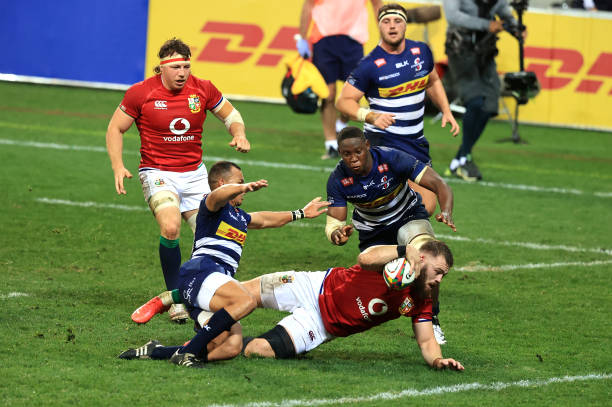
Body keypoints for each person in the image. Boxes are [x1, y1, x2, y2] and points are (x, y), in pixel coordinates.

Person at [120, 241, 464, 371]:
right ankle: (182, 298)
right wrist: (401, 251)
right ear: (421, 259)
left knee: (252, 350)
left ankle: (162, 349)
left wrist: (437, 359)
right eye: (436, 272)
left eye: (443, 276)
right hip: (312, 285)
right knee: (243, 296)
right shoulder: (394, 261)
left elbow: (425, 340)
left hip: (322, 327)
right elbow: (364, 256)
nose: (438, 280)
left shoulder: (423, 299)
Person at [123, 161, 329, 367]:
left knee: (231, 347)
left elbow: (266, 219)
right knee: (246, 301)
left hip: (214, 286)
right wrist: (241, 187)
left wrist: (301, 213)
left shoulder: (240, 217)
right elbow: (217, 195)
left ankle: (157, 351)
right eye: (239, 181)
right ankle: (187, 353)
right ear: (222, 183)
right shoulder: (211, 206)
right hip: (201, 272)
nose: (244, 188)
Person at [105, 38, 251, 323]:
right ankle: (175, 299)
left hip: (195, 175)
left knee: (210, 237)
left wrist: (239, 132)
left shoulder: (203, 88)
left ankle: (201, 294)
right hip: (157, 173)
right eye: (176, 67)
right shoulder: (140, 93)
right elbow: (115, 128)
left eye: (186, 65)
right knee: (170, 226)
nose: (182, 72)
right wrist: (118, 166)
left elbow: (231, 114)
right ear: (162, 68)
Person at [325, 126, 455, 344]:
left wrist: (446, 210)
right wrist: (336, 234)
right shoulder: (338, 179)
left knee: (427, 258)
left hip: (408, 216)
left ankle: (431, 319)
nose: (354, 159)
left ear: (367, 145)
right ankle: (333, 321)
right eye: (347, 154)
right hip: (372, 232)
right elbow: (334, 222)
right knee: (378, 282)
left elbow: (439, 183)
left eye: (358, 151)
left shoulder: (392, 158)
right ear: (340, 153)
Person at [336, 3, 459, 216]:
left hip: (415, 143)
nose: (392, 26)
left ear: (405, 25)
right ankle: (380, 239)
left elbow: (433, 81)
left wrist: (446, 110)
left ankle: (396, 243)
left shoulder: (421, 51)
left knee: (426, 206)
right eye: (386, 22)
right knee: (390, 206)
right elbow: (343, 102)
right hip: (382, 144)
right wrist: (371, 116)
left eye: (397, 21)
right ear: (379, 26)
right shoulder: (369, 64)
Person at [441, 0, 519, 181]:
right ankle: (465, 158)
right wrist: (486, 25)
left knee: (490, 105)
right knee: (475, 101)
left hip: (486, 51)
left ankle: (460, 159)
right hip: (460, 50)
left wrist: (516, 27)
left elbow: (505, 12)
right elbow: (453, 16)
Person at [296, 0, 383, 159]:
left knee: (354, 94)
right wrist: (302, 37)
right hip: (323, 38)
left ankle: (341, 124)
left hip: (353, 39)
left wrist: (383, 34)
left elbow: (377, 5)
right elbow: (308, 5)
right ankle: (330, 143)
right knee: (327, 94)